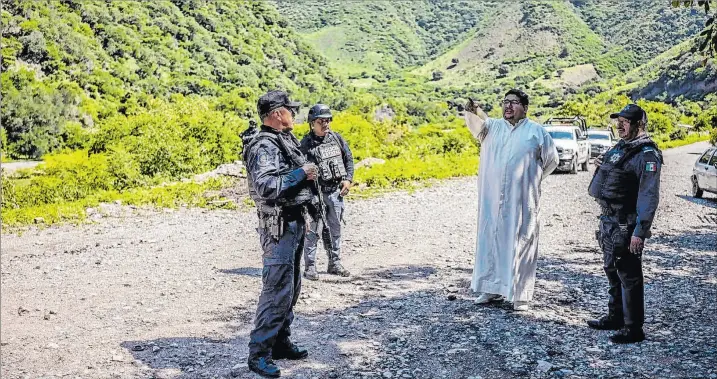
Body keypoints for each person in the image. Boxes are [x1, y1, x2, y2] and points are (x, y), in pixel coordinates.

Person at [243, 90, 318, 378]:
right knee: (276, 290)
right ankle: (258, 353)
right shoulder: (264, 145)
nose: (294, 113)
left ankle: (281, 342)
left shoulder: (282, 140)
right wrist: (302, 174)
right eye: (289, 109)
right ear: (276, 113)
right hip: (279, 226)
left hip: (293, 222)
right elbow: (265, 186)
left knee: (292, 287)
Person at [464, 89, 559, 311]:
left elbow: (551, 161)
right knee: (492, 239)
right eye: (505, 102)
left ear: (525, 108)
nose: (508, 106)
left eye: (514, 103)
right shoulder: (492, 127)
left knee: (521, 241)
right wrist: (474, 110)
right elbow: (476, 124)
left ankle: (521, 295)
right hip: (492, 198)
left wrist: (531, 178)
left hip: (522, 200)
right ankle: (491, 288)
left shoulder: (537, 132)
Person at [587, 103, 662, 344]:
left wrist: (640, 231)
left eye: (625, 121)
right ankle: (615, 316)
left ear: (639, 124)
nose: (619, 125)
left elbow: (648, 196)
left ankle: (633, 328)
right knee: (612, 270)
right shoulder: (621, 148)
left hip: (624, 224)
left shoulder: (647, 154)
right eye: (618, 120)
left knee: (629, 275)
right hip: (609, 222)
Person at [299, 104, 354, 280]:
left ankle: (334, 263)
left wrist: (348, 180)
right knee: (313, 231)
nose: (325, 124)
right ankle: (310, 267)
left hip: (335, 192)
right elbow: (300, 170)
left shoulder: (337, 139)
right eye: (321, 121)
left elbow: (349, 159)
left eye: (327, 120)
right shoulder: (305, 144)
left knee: (335, 228)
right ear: (312, 123)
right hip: (315, 194)